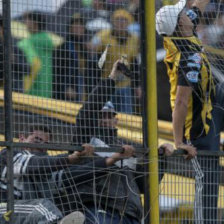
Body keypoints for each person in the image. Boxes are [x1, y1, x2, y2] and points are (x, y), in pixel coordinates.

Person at [72, 60, 195, 224]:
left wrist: (161, 158)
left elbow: (145, 184)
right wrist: (112, 78)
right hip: (100, 210)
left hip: (131, 214)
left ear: (116, 120)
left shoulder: (126, 148)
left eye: (110, 115)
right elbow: (85, 115)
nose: (106, 119)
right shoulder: (85, 138)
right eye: (102, 114)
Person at [156, 0, 223, 223]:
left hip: (211, 105)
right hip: (196, 128)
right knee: (207, 178)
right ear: (179, 24)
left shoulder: (182, 28)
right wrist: (179, 142)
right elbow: (181, 103)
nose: (187, 13)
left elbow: (198, 6)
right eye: (182, 14)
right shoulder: (186, 58)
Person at [0, 123, 134, 224]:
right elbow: (34, 164)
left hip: (24, 214)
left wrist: (112, 159)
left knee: (48, 209)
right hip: (4, 209)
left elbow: (71, 175)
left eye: (46, 144)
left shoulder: (44, 172)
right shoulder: (9, 154)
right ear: (22, 138)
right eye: (37, 140)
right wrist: (70, 158)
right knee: (43, 207)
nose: (42, 146)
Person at [87, 9, 140, 113]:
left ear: (128, 22)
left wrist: (138, 85)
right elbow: (92, 49)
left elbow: (134, 63)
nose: (121, 23)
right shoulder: (103, 35)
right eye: (118, 20)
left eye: (124, 20)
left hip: (125, 85)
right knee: (107, 114)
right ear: (113, 22)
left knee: (126, 116)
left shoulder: (134, 38)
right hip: (107, 84)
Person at [18, 11, 54, 98]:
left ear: (35, 22)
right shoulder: (48, 40)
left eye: (27, 20)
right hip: (47, 90)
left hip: (32, 90)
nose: (25, 23)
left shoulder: (28, 43)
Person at [53, 13, 87, 102]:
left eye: (81, 27)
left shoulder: (84, 48)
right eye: (75, 27)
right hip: (66, 94)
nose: (79, 29)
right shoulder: (62, 48)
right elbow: (57, 71)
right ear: (70, 29)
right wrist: (65, 88)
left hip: (82, 90)